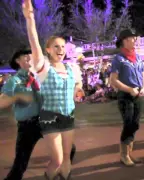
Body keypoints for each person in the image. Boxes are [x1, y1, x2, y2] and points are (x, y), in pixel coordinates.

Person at [23, 1, 83, 179]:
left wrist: (78, 91)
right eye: (56, 46)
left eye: (63, 47)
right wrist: (30, 18)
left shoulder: (72, 68)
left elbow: (78, 85)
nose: (61, 50)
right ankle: (48, 176)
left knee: (66, 158)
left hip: (68, 116)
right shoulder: (44, 68)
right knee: (56, 160)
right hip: (49, 117)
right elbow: (33, 41)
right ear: (48, 50)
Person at [1, 49, 76, 180]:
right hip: (27, 126)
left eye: (30, 55)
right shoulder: (14, 81)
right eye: (25, 56)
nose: (29, 58)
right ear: (17, 61)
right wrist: (17, 96)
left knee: (70, 148)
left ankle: (58, 170)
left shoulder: (39, 76)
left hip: (45, 120)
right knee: (20, 164)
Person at [110, 29, 144, 166]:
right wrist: (130, 89)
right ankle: (124, 155)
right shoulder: (118, 59)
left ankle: (130, 153)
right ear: (124, 41)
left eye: (135, 39)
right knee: (128, 124)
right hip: (126, 95)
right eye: (132, 39)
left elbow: (142, 75)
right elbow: (113, 80)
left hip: (139, 94)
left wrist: (142, 88)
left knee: (135, 124)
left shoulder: (137, 57)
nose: (135, 41)